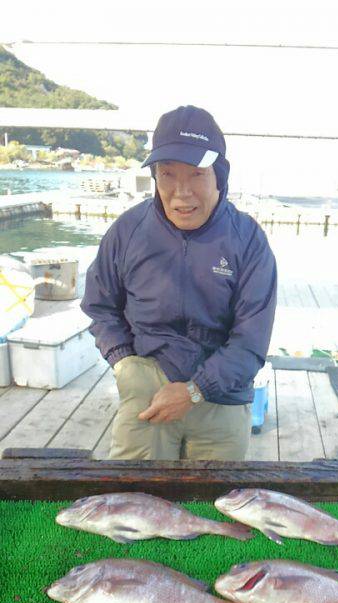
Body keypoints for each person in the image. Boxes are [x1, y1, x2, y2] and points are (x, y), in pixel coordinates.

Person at [81, 105, 277, 461]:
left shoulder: (248, 241)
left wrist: (196, 390)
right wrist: (125, 363)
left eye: (197, 174)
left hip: (222, 395)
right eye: (168, 174)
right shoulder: (127, 232)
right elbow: (100, 306)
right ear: (154, 175)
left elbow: (250, 342)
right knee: (132, 500)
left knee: (214, 507)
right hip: (147, 390)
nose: (181, 192)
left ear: (219, 174)